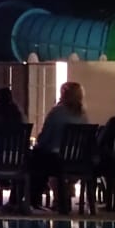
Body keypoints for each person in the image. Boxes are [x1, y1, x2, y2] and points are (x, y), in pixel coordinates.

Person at [30, 82, 89, 213]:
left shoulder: (57, 112)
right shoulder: (83, 115)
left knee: (35, 160)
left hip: (56, 160)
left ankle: (32, 200)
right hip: (77, 160)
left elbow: (45, 137)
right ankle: (62, 199)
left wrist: (38, 144)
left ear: (63, 94)